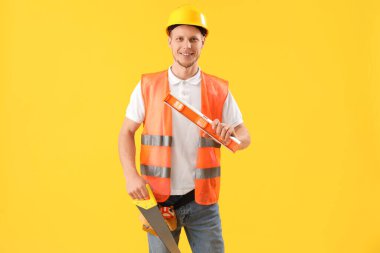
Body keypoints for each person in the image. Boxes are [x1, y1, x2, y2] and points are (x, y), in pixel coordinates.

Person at [118, 5, 251, 253]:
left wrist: (232, 138)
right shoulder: (148, 86)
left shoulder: (218, 89)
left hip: (203, 204)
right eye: (179, 38)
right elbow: (126, 131)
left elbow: (244, 136)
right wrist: (130, 175)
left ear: (203, 43)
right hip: (158, 203)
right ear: (169, 42)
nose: (186, 46)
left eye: (193, 39)